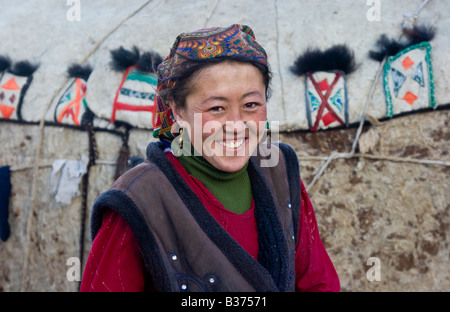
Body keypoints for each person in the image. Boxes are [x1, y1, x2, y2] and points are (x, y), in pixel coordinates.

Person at [80, 24, 340, 292]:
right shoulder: (140, 200)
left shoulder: (280, 175)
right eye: (216, 108)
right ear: (178, 111)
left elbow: (319, 282)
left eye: (251, 105)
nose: (236, 125)